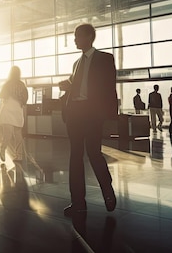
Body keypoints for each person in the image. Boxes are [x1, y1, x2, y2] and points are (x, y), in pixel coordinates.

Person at [58, 23, 117, 216]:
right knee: (75, 157)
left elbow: (108, 87)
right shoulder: (76, 63)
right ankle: (78, 202)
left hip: (92, 114)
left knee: (93, 153)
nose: (74, 39)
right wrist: (66, 85)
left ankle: (107, 190)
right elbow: (77, 83)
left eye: (77, 36)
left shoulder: (105, 59)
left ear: (88, 37)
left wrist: (108, 115)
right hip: (75, 113)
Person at [0, 66, 28, 163]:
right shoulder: (22, 85)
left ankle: (2, 150)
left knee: (7, 134)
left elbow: (1, 95)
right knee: (18, 134)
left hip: (8, 109)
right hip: (17, 109)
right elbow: (25, 98)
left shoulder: (7, 84)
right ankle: (19, 155)